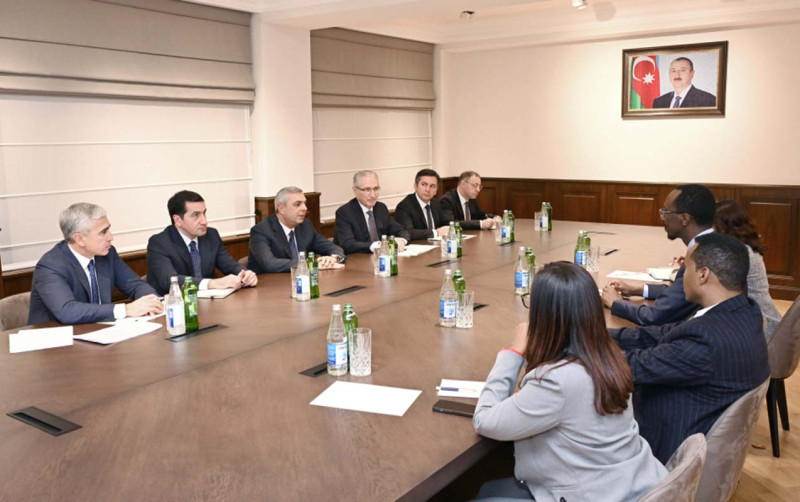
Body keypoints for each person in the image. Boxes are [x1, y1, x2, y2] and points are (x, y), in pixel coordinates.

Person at [472, 262, 666, 501]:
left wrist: (514, 352)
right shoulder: (609, 356)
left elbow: (484, 420)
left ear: (544, 316)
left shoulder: (557, 380)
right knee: (489, 490)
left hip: (592, 493)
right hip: (628, 483)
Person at [610, 233, 770, 463]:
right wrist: (599, 335)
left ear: (703, 274)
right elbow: (662, 333)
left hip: (664, 448)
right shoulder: (743, 311)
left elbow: (634, 366)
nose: (680, 276)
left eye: (685, 268)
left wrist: (582, 348)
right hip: (697, 421)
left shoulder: (706, 340)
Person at [28, 203, 162, 325]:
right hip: (56, 338)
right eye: (103, 232)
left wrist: (152, 302)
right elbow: (67, 311)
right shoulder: (50, 266)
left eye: (108, 229)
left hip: (99, 332)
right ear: (80, 239)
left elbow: (134, 284)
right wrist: (125, 310)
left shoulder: (107, 254)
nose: (111, 237)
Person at [602, 184, 715, 325]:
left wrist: (616, 303)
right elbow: (679, 291)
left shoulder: (702, 255)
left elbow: (654, 316)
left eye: (666, 212)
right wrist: (637, 290)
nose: (663, 218)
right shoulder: (711, 244)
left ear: (684, 218)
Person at [147, 190, 257, 296]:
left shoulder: (211, 235)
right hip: (174, 304)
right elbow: (170, 281)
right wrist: (211, 283)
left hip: (208, 303)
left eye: (204, 213)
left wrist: (244, 274)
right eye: (196, 215)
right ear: (178, 220)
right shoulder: (159, 243)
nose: (204, 221)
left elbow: (229, 264)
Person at [714, 199, 782, 337]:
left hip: (760, 325)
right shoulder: (744, 247)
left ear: (723, 227)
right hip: (764, 318)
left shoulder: (738, 252)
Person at [248, 186, 345, 273]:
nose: (305, 208)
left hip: (302, 280)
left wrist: (333, 258)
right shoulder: (261, 231)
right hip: (271, 284)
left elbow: (332, 247)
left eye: (305, 203)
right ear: (281, 209)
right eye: (298, 204)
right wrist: (311, 264)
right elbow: (269, 263)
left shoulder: (305, 225)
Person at [334, 170, 410, 254]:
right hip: (358, 259)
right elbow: (347, 244)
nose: (373, 195)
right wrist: (376, 245)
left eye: (376, 189)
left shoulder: (381, 208)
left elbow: (400, 230)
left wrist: (402, 240)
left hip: (381, 258)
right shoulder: (344, 212)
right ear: (355, 190)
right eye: (367, 189)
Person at [393, 168, 450, 241]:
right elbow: (408, 232)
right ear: (415, 186)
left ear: (436, 190)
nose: (427, 190)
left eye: (432, 186)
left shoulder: (435, 203)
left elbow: (447, 222)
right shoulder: (404, 206)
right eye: (424, 184)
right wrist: (436, 232)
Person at [652, 57, 716, 108]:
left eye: (682, 70)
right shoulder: (659, 102)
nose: (677, 75)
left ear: (692, 74)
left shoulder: (708, 100)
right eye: (673, 71)